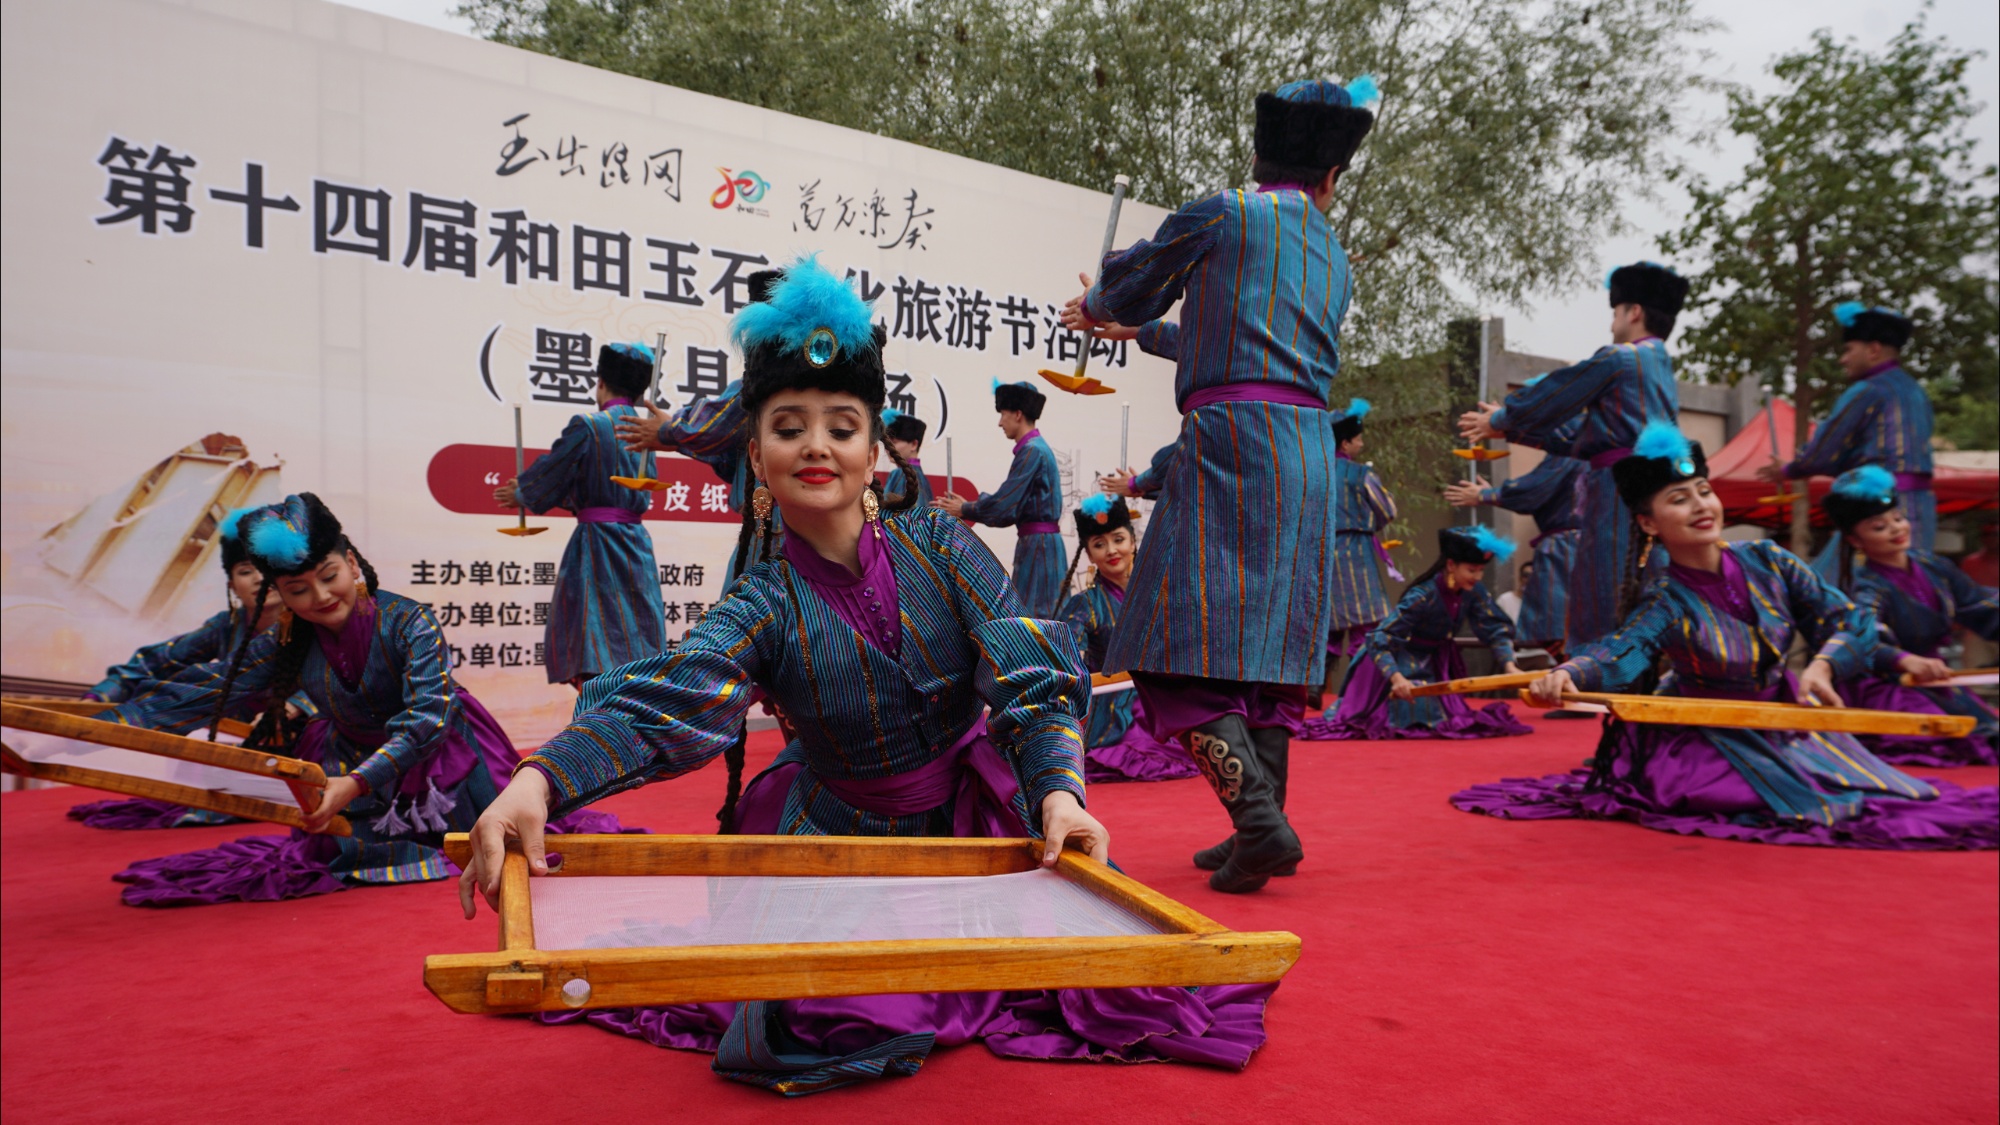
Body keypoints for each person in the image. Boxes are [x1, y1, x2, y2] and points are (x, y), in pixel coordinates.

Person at [458, 256, 1270, 1095]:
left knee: (1097, 977)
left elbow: (1030, 677)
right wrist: (540, 780)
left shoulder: (945, 547)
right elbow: (673, 702)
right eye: (788, 426)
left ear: (873, 446)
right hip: (837, 840)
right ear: (756, 452)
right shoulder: (763, 600)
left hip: (971, 830)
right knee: (819, 1013)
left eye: (842, 426)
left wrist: (1059, 792)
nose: (816, 445)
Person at [1057, 74, 1380, 891]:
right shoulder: (1333, 254)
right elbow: (1243, 338)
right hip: (1307, 450)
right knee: (1266, 653)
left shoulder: (1224, 211)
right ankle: (1258, 831)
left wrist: (1101, 302)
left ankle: (1259, 821)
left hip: (1233, 443)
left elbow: (1132, 283)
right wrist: (1141, 328)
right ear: (1330, 178)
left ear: (1260, 153)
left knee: (1161, 644)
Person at [1452, 424, 1996, 850]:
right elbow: (1621, 648)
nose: (1701, 506)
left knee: (1885, 794)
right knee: (1787, 803)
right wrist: (1567, 674)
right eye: (1679, 499)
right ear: (1649, 523)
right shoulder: (1665, 598)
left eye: (1704, 491)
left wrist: (1824, 666)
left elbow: (1845, 617)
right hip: (1704, 732)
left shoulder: (1770, 560)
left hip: (1784, 717)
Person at [97, 493, 625, 906]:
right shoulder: (287, 642)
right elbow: (214, 687)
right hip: (347, 755)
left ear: (352, 564)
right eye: (299, 589)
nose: (322, 597)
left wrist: (352, 784)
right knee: (342, 852)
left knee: (472, 840)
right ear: (282, 593)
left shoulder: (410, 621)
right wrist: (114, 721)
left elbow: (427, 720)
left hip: (443, 759)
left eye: (329, 577)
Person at [1458, 262, 1685, 648]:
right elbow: (1585, 437)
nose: (1611, 323)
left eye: (1614, 312)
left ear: (1633, 311)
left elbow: (1560, 391)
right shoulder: (1660, 365)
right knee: (1641, 589)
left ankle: (1606, 684)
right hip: (1652, 489)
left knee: (1607, 590)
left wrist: (1504, 417)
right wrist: (1511, 424)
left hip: (1617, 492)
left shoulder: (1621, 358)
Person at [68, 511, 309, 830]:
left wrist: (295, 707)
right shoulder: (226, 626)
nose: (258, 579)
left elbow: (337, 678)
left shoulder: (309, 624)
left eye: (267, 569)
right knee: (197, 733)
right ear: (232, 585)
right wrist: (100, 697)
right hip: (234, 742)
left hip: (298, 741)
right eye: (245, 570)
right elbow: (154, 661)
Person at [495, 341, 666, 688]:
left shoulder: (590, 425)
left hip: (597, 545)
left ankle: (602, 722)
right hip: (635, 544)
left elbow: (555, 470)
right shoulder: (647, 429)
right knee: (637, 638)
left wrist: (522, 491)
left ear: (600, 383)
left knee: (594, 637)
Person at [1823, 466, 1997, 766]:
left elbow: (1979, 605)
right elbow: (1863, 639)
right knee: (1962, 744)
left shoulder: (1934, 567)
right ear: (1855, 540)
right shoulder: (1867, 588)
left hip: (1936, 680)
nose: (1896, 529)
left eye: (1898, 519)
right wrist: (1905, 659)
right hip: (1893, 686)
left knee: (1988, 735)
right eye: (1879, 527)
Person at [1302, 526, 1531, 742]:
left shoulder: (1473, 592)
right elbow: (1379, 639)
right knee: (1401, 720)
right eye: (1472, 570)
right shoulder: (1423, 595)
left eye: (1481, 570)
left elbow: (1495, 627)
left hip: (1433, 662)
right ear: (1451, 565)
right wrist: (1397, 678)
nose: (1478, 577)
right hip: (1393, 662)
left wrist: (1509, 665)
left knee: (1448, 720)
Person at [1757, 303, 1936, 571]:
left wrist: (1789, 469)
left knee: (1839, 589)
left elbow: (1824, 452)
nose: (1843, 359)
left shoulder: (1866, 390)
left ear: (1873, 350)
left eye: (1848, 350)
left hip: (1875, 511)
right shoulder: (1916, 392)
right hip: (1919, 509)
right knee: (1919, 581)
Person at [1058, 495, 1197, 782]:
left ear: (1133, 542)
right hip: (1112, 707)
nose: (1111, 550)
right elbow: (1063, 656)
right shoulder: (1086, 604)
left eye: (1118, 539)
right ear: (1090, 554)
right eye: (1099, 544)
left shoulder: (1162, 593)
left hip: (1162, 700)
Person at [1444, 421, 1586, 660]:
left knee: (1568, 635)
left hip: (1569, 549)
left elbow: (1532, 491)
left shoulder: (1569, 453)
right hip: (1584, 545)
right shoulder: (1587, 454)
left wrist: (1486, 495)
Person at [933, 381, 1065, 617]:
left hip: (1039, 548)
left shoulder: (1032, 451)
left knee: (1035, 619)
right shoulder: (1038, 448)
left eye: (1003, 414)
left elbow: (1005, 505)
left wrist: (964, 508)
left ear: (1017, 414)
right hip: (1040, 544)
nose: (1000, 422)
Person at [1324, 398, 1397, 698]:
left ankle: (1316, 685)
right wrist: (1370, 524)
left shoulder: (1316, 472)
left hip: (1323, 553)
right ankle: (1358, 692)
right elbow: (1387, 509)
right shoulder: (1361, 475)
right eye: (1359, 438)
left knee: (1328, 627)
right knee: (1362, 627)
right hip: (1356, 553)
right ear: (1345, 442)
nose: (1362, 444)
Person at [879, 408, 934, 508]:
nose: (888, 448)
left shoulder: (900, 474)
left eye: (894, 442)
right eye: (887, 443)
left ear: (913, 444)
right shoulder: (919, 475)